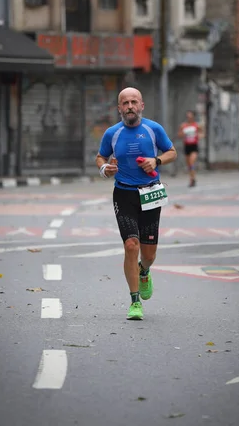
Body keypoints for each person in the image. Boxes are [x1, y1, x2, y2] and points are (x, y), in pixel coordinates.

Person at [96, 87, 177, 321]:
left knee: (149, 253)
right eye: (125, 103)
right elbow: (100, 156)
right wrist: (104, 168)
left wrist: (157, 160)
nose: (129, 106)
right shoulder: (112, 133)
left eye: (134, 102)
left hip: (151, 193)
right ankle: (134, 301)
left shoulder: (154, 129)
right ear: (119, 108)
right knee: (131, 245)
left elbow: (172, 151)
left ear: (141, 105)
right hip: (124, 194)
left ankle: (144, 270)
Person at [178, 110, 203, 187]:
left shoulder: (196, 125)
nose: (189, 117)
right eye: (188, 116)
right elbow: (179, 135)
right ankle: (192, 178)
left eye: (190, 116)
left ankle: (192, 179)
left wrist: (199, 136)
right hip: (187, 146)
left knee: (191, 162)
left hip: (194, 146)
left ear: (193, 117)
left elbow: (202, 133)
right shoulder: (183, 125)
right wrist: (182, 134)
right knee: (189, 165)